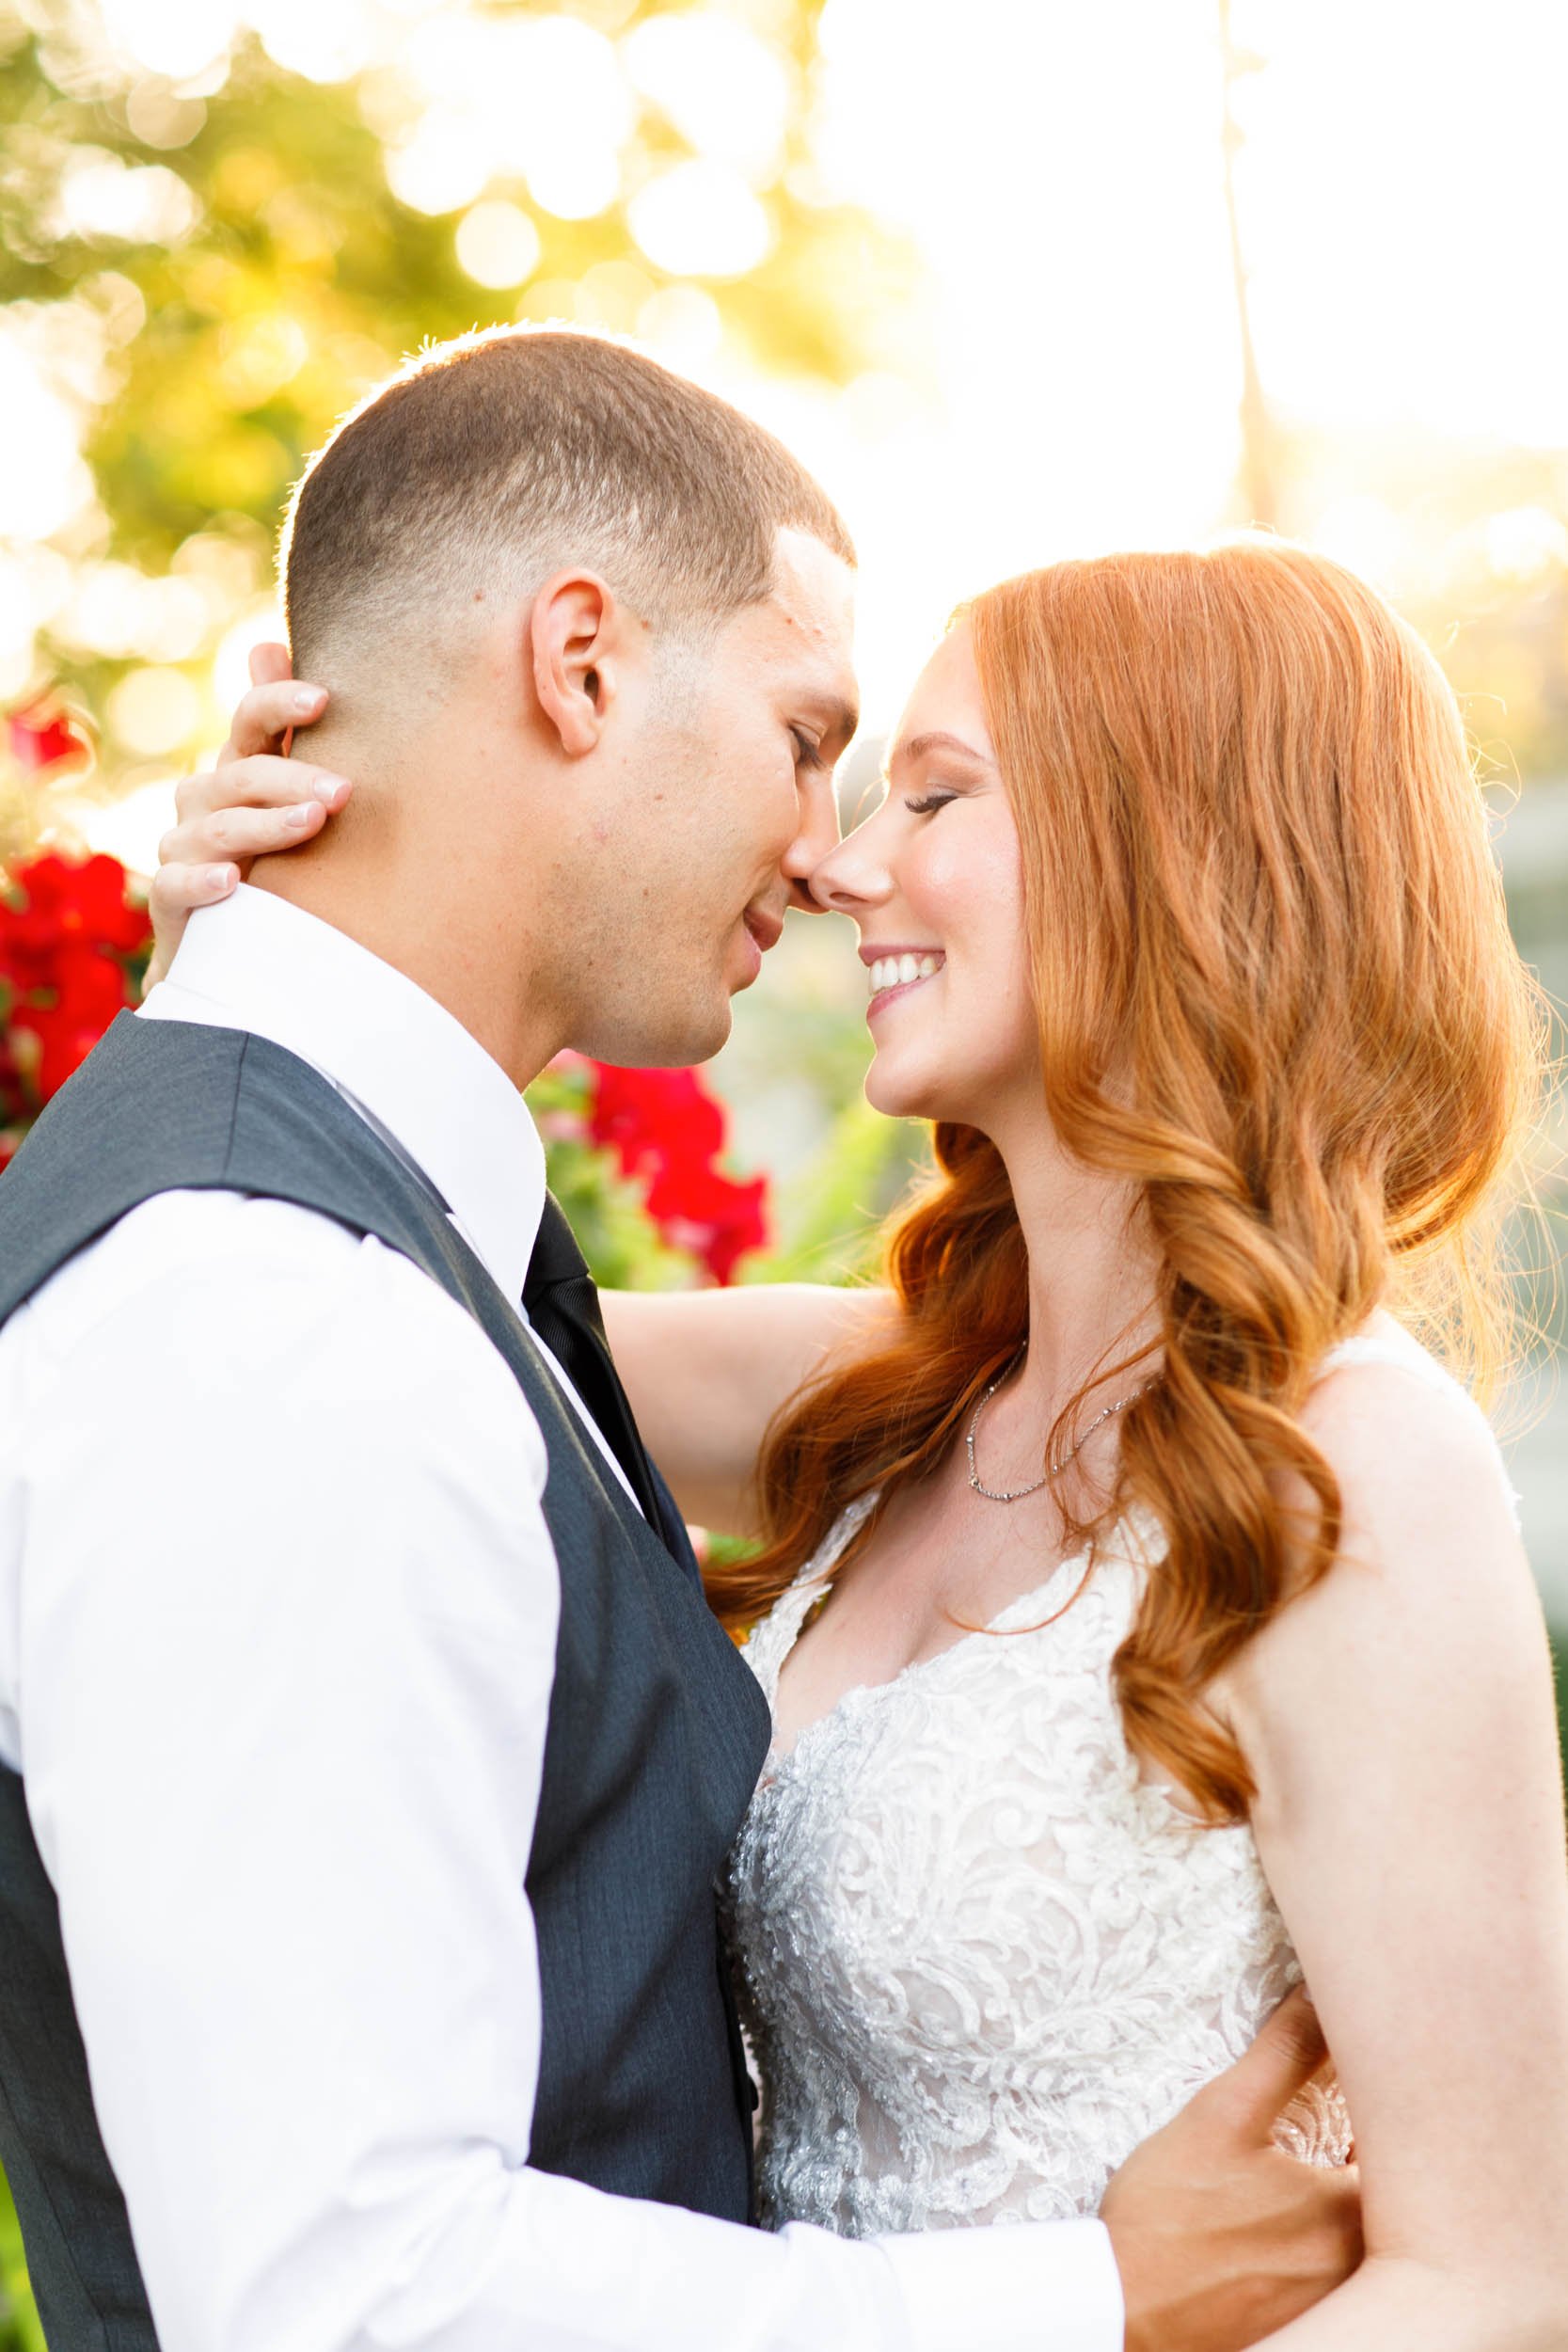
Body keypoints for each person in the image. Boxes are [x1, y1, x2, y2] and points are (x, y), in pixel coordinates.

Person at [0, 330, 1356, 2352]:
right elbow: (345, 2298)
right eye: (811, 737)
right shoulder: (274, 1315)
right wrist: (1096, 2296)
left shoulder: (359, 1258)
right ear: (580, 665)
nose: (829, 849)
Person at [164, 528, 1568, 2350]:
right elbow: (333, 1305)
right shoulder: (893, 1402)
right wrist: (240, 966)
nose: (840, 860)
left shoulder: (1355, 1469)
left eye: (934, 792)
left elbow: (1497, 2278)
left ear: (1178, 848)